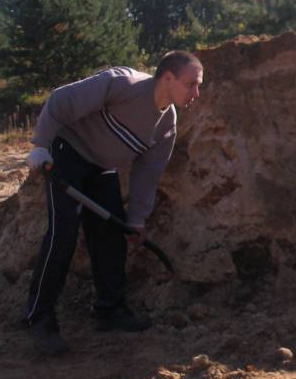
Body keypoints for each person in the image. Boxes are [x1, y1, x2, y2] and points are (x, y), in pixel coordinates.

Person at [24, 51, 204, 355]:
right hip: (67, 152)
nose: (196, 94)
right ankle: (40, 319)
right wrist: (41, 146)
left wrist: (137, 220)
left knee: (110, 236)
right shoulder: (123, 85)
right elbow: (58, 101)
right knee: (63, 233)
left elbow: (148, 173)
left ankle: (110, 311)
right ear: (168, 77)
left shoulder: (167, 124)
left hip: (101, 167)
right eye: (191, 85)